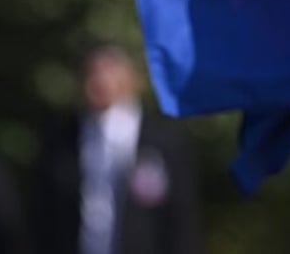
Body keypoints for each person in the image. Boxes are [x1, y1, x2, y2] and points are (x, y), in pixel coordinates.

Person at [31, 43, 202, 254]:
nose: (98, 81)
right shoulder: (63, 139)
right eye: (92, 73)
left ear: (129, 78)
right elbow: (45, 211)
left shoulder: (162, 140)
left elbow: (181, 216)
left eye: (108, 72)